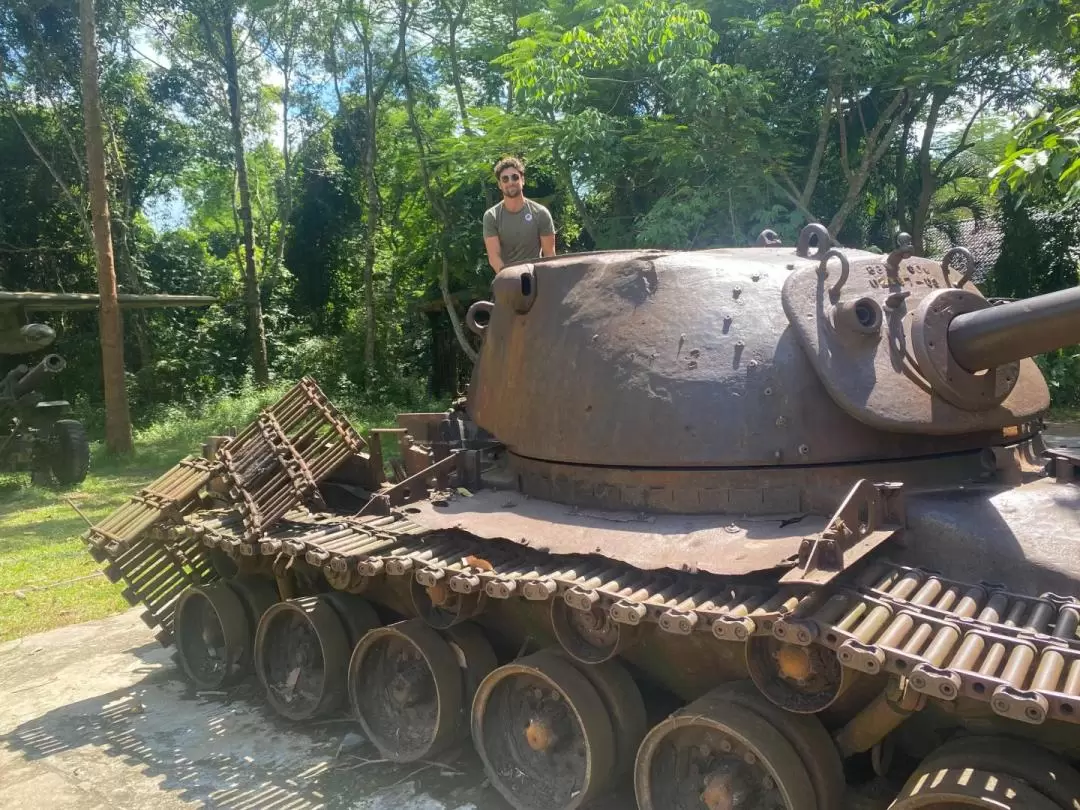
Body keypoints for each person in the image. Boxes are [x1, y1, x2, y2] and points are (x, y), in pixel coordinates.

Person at [482, 157, 556, 273]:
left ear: (522, 180)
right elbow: (494, 257)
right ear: (500, 185)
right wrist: (510, 279)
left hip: (537, 278)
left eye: (515, 177)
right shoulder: (491, 216)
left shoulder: (541, 213)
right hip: (508, 279)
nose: (510, 182)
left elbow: (550, 255)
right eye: (505, 179)